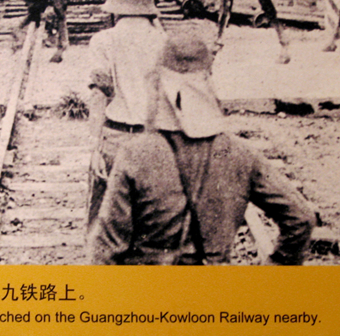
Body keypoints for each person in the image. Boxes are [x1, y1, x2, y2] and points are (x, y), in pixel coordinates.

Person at [87, 32, 316, 265]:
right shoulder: (241, 153)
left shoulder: (136, 155)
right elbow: (302, 218)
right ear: (207, 85)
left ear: (159, 87)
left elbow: (105, 249)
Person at [86, 0, 169, 230]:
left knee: (102, 224)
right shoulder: (165, 41)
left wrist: (94, 147)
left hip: (116, 141)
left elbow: (99, 93)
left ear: (115, 9)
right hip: (155, 143)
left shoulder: (103, 41)